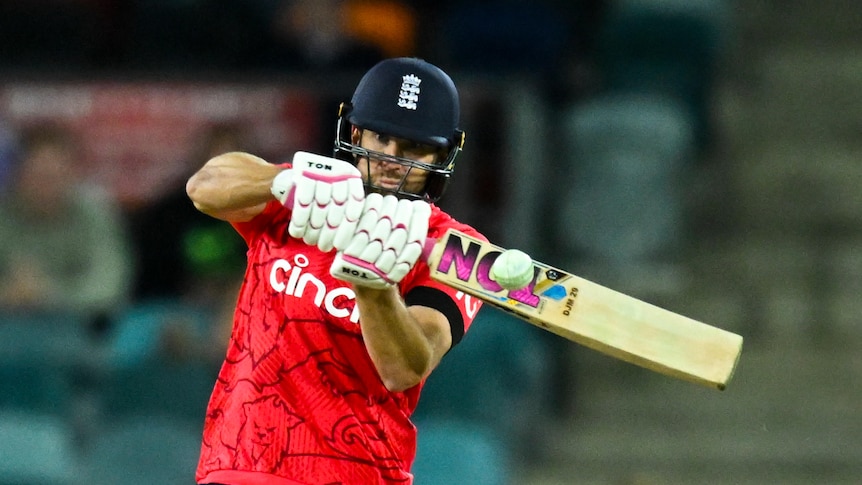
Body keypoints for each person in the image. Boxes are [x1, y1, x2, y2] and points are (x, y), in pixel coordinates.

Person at [186, 57, 484, 484]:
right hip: (240, 463)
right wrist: (282, 183)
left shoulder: (460, 249)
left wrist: (375, 287)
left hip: (357, 473)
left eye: (414, 147)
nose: (391, 159)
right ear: (356, 132)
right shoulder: (307, 194)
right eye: (381, 138)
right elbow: (205, 186)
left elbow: (404, 369)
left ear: (443, 154)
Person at [0, 122, 134, 320]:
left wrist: (47, 295)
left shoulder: (95, 213)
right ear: (17, 174)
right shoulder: (4, 213)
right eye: (38, 176)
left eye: (55, 176)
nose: (46, 186)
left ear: (74, 173)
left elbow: (109, 285)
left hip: (79, 331)